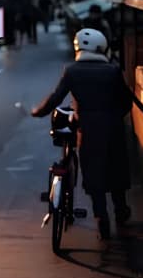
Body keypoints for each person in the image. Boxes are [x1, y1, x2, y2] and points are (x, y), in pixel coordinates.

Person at [30, 28, 132, 239]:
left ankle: (101, 217)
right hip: (113, 127)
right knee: (115, 170)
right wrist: (114, 116)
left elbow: (55, 98)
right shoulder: (113, 71)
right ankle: (121, 212)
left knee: (94, 174)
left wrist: (38, 111)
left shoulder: (72, 71)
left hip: (87, 130)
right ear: (102, 47)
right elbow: (126, 102)